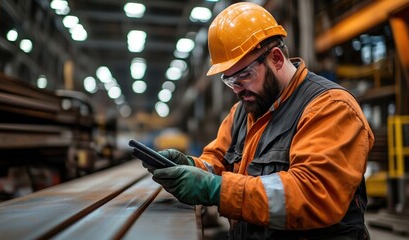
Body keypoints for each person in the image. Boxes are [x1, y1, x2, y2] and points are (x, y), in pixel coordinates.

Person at [144, 2, 374, 239]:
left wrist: (216, 189)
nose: (238, 89)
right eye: (230, 81)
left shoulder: (330, 107)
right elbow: (218, 162)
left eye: (245, 75)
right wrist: (191, 166)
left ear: (275, 58)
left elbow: (313, 195)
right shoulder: (242, 112)